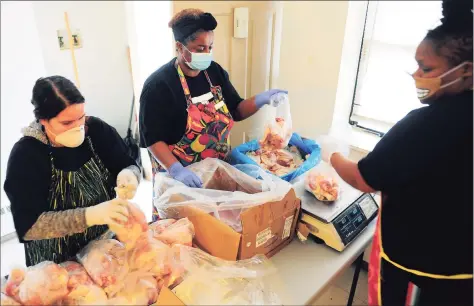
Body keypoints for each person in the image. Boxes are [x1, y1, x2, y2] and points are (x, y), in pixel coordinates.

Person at [320, 1, 473, 304]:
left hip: (423, 270)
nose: (417, 74)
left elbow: (365, 179)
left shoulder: (429, 123)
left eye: (427, 68)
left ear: (466, 70)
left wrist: (332, 154)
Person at [139, 9, 288, 201]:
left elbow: (236, 110)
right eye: (200, 49)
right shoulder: (158, 86)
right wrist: (176, 170)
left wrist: (261, 99)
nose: (207, 53)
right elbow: (152, 139)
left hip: (218, 171)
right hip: (182, 180)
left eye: (210, 47)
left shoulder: (214, 72)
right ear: (179, 46)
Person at [4, 76, 141, 266]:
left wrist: (130, 175)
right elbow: (30, 227)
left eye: (81, 118)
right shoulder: (26, 155)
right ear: (44, 120)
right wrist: (90, 216)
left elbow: (129, 163)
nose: (78, 127)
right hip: (57, 263)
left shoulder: (96, 131)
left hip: (104, 249)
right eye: (67, 123)